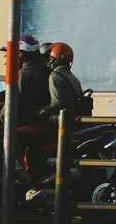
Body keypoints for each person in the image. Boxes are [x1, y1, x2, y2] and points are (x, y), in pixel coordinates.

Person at [22, 43, 86, 191]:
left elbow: (56, 103)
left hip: (59, 122)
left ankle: (33, 181)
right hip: (71, 122)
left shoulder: (55, 75)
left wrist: (37, 114)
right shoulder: (72, 77)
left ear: (54, 58)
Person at [0, 35, 50, 127]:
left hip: (22, 130)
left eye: (7, 56)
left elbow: (7, 114)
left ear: (19, 55)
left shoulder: (22, 76)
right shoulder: (48, 72)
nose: (6, 62)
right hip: (42, 127)